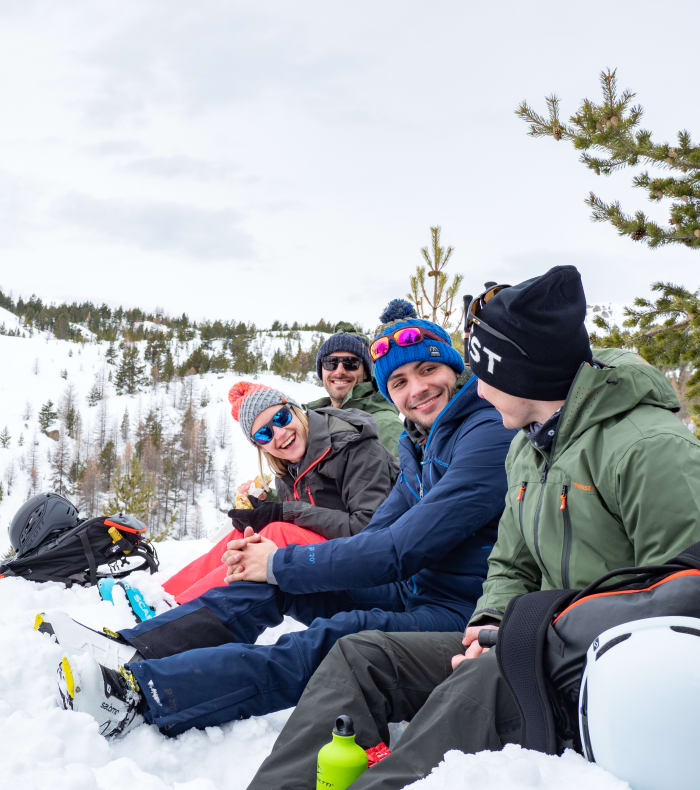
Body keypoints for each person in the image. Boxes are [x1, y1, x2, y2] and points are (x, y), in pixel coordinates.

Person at [247, 265, 700, 790]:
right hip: (529, 644)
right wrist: (486, 623)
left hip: (601, 673)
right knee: (361, 655)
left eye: (484, 374)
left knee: (473, 690)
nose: (477, 390)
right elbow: (512, 562)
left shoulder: (648, 449)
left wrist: (531, 631)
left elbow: (680, 598)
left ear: (522, 373)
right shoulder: (531, 450)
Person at [47, 299, 515, 739]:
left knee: (333, 636)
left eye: (428, 369)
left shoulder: (486, 433)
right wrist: (276, 569)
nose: (417, 389)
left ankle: (143, 693)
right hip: (411, 589)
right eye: (399, 382)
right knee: (275, 583)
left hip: (462, 611)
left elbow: (397, 549)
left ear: (455, 368)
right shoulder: (420, 443)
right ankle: (136, 648)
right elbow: (378, 535)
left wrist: (281, 560)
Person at [162, 381, 399, 603]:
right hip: (328, 563)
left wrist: (284, 512)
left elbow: (369, 529)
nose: (280, 433)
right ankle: (166, 597)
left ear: (296, 410)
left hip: (381, 575)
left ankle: (184, 608)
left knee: (278, 532)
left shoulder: (354, 446)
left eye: (281, 417)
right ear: (260, 446)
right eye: (264, 434)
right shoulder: (287, 469)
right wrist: (263, 509)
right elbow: (313, 509)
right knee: (246, 533)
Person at [305, 323, 404, 457]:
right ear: (321, 370)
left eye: (351, 363)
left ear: (366, 373)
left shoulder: (385, 425)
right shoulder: (314, 422)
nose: (339, 371)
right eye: (330, 363)